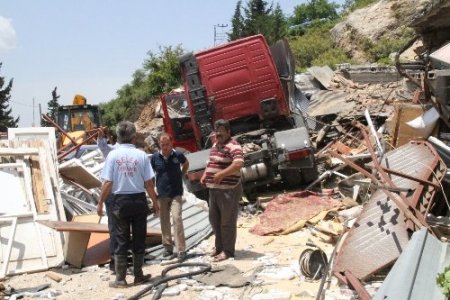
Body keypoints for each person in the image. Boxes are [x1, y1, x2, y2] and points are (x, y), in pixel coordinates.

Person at [97, 121, 160, 288]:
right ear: (133, 137)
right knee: (139, 237)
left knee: (121, 239)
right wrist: (155, 202)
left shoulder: (112, 156)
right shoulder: (141, 155)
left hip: (119, 202)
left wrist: (100, 202)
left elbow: (108, 183)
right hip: (138, 201)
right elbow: (148, 183)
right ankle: (138, 275)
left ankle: (120, 279)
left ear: (118, 137)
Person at [200, 119, 244, 262]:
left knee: (227, 222)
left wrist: (221, 174)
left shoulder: (234, 146)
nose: (218, 134)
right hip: (214, 190)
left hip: (228, 190)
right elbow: (211, 162)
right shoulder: (215, 145)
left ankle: (228, 251)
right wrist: (206, 174)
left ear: (228, 132)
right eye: (216, 131)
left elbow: (238, 164)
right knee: (215, 220)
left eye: (221, 132)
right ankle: (219, 247)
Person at [151, 133, 189, 260]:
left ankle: (181, 250)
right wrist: (152, 192)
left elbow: (186, 163)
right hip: (162, 194)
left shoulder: (177, 155)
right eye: (162, 145)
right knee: (164, 221)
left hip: (176, 193)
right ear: (159, 145)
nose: (165, 147)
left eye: (167, 144)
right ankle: (168, 247)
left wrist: (181, 175)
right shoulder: (155, 157)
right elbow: (150, 175)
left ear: (171, 143)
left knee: (177, 218)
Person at [96, 128, 118, 272]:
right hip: (125, 194)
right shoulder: (133, 152)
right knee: (119, 226)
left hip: (114, 194)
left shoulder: (113, 153)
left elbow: (108, 182)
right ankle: (118, 258)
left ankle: (117, 259)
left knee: (115, 226)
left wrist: (100, 202)